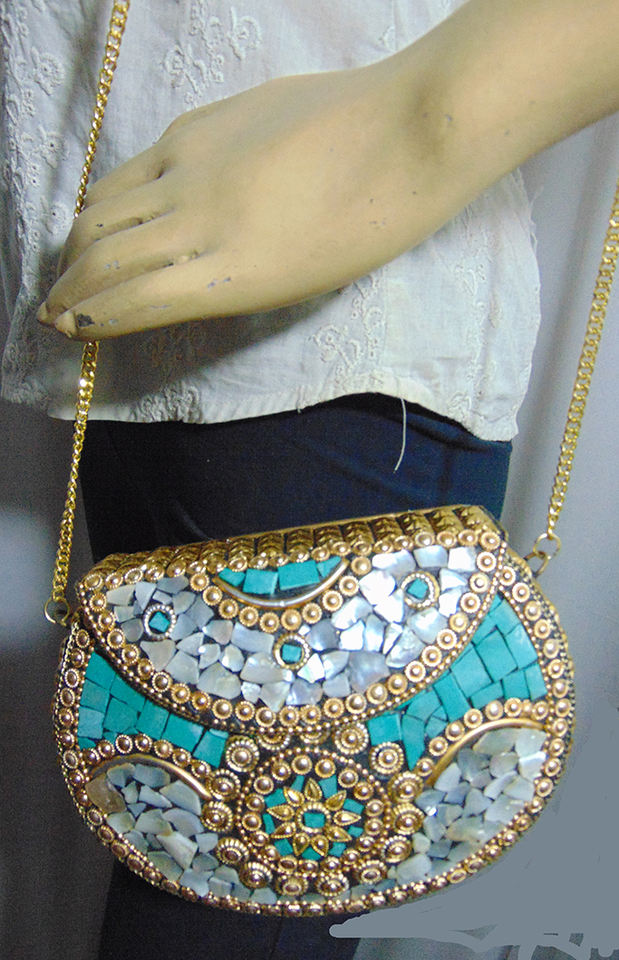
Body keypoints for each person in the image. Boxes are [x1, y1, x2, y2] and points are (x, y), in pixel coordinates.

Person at [1, 1, 618, 959]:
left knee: (242, 886)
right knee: (212, 876)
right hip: (158, 270)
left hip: (338, 288)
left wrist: (421, 117)